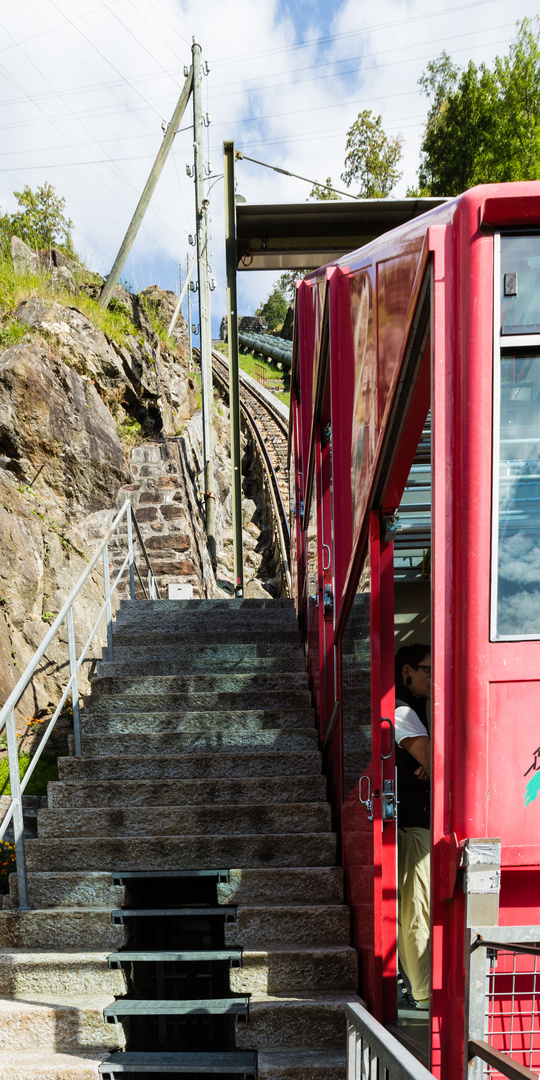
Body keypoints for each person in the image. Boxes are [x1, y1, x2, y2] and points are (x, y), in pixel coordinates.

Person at [394, 643, 431, 1009]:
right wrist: (429, 761)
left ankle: (418, 988)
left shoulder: (414, 710)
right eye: (427, 670)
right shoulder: (402, 710)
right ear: (407, 671)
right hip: (413, 823)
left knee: (415, 906)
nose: (433, 678)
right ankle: (422, 993)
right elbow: (434, 761)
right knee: (417, 908)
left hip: (412, 821)